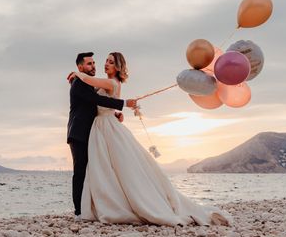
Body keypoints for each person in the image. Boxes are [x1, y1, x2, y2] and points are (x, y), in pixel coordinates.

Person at [69, 52, 231, 226]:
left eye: (110, 62)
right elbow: (97, 101)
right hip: (100, 128)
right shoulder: (102, 82)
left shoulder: (109, 82)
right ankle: (102, 203)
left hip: (105, 129)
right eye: (105, 61)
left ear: (117, 67)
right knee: (105, 168)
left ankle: (117, 203)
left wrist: (77, 74)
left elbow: (92, 89)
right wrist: (116, 112)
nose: (104, 64)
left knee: (114, 167)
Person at [67, 52, 138, 219]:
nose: (96, 66)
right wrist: (123, 104)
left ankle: (98, 206)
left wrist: (114, 114)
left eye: (94, 63)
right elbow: (96, 100)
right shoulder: (79, 82)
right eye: (89, 64)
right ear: (80, 67)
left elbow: (97, 105)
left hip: (95, 131)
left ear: (117, 66)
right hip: (79, 132)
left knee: (100, 169)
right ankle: (79, 211)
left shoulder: (99, 82)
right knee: (80, 171)